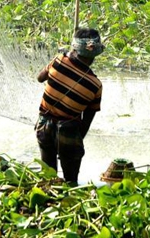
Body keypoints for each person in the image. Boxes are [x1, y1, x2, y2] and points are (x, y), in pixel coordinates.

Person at [35, 27, 104, 185]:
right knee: (71, 180)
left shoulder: (59, 61)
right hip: (70, 130)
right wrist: (77, 141)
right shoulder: (95, 85)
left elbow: (40, 78)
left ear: (74, 48)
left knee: (48, 176)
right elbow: (87, 119)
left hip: (44, 123)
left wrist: (65, 55)